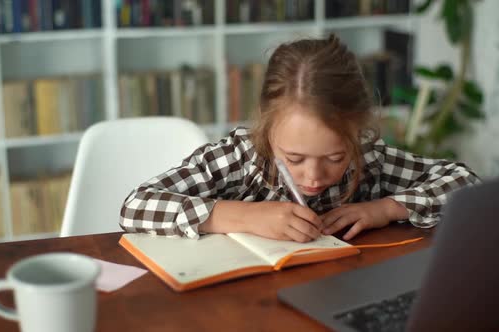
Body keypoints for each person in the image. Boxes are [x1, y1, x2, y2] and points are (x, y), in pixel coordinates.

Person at [119, 35, 480, 243]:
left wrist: (384, 209)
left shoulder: (369, 160)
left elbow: (466, 185)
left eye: (336, 158)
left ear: (358, 132)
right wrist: (241, 216)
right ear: (266, 128)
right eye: (294, 158)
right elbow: (136, 205)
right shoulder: (239, 158)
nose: (313, 177)